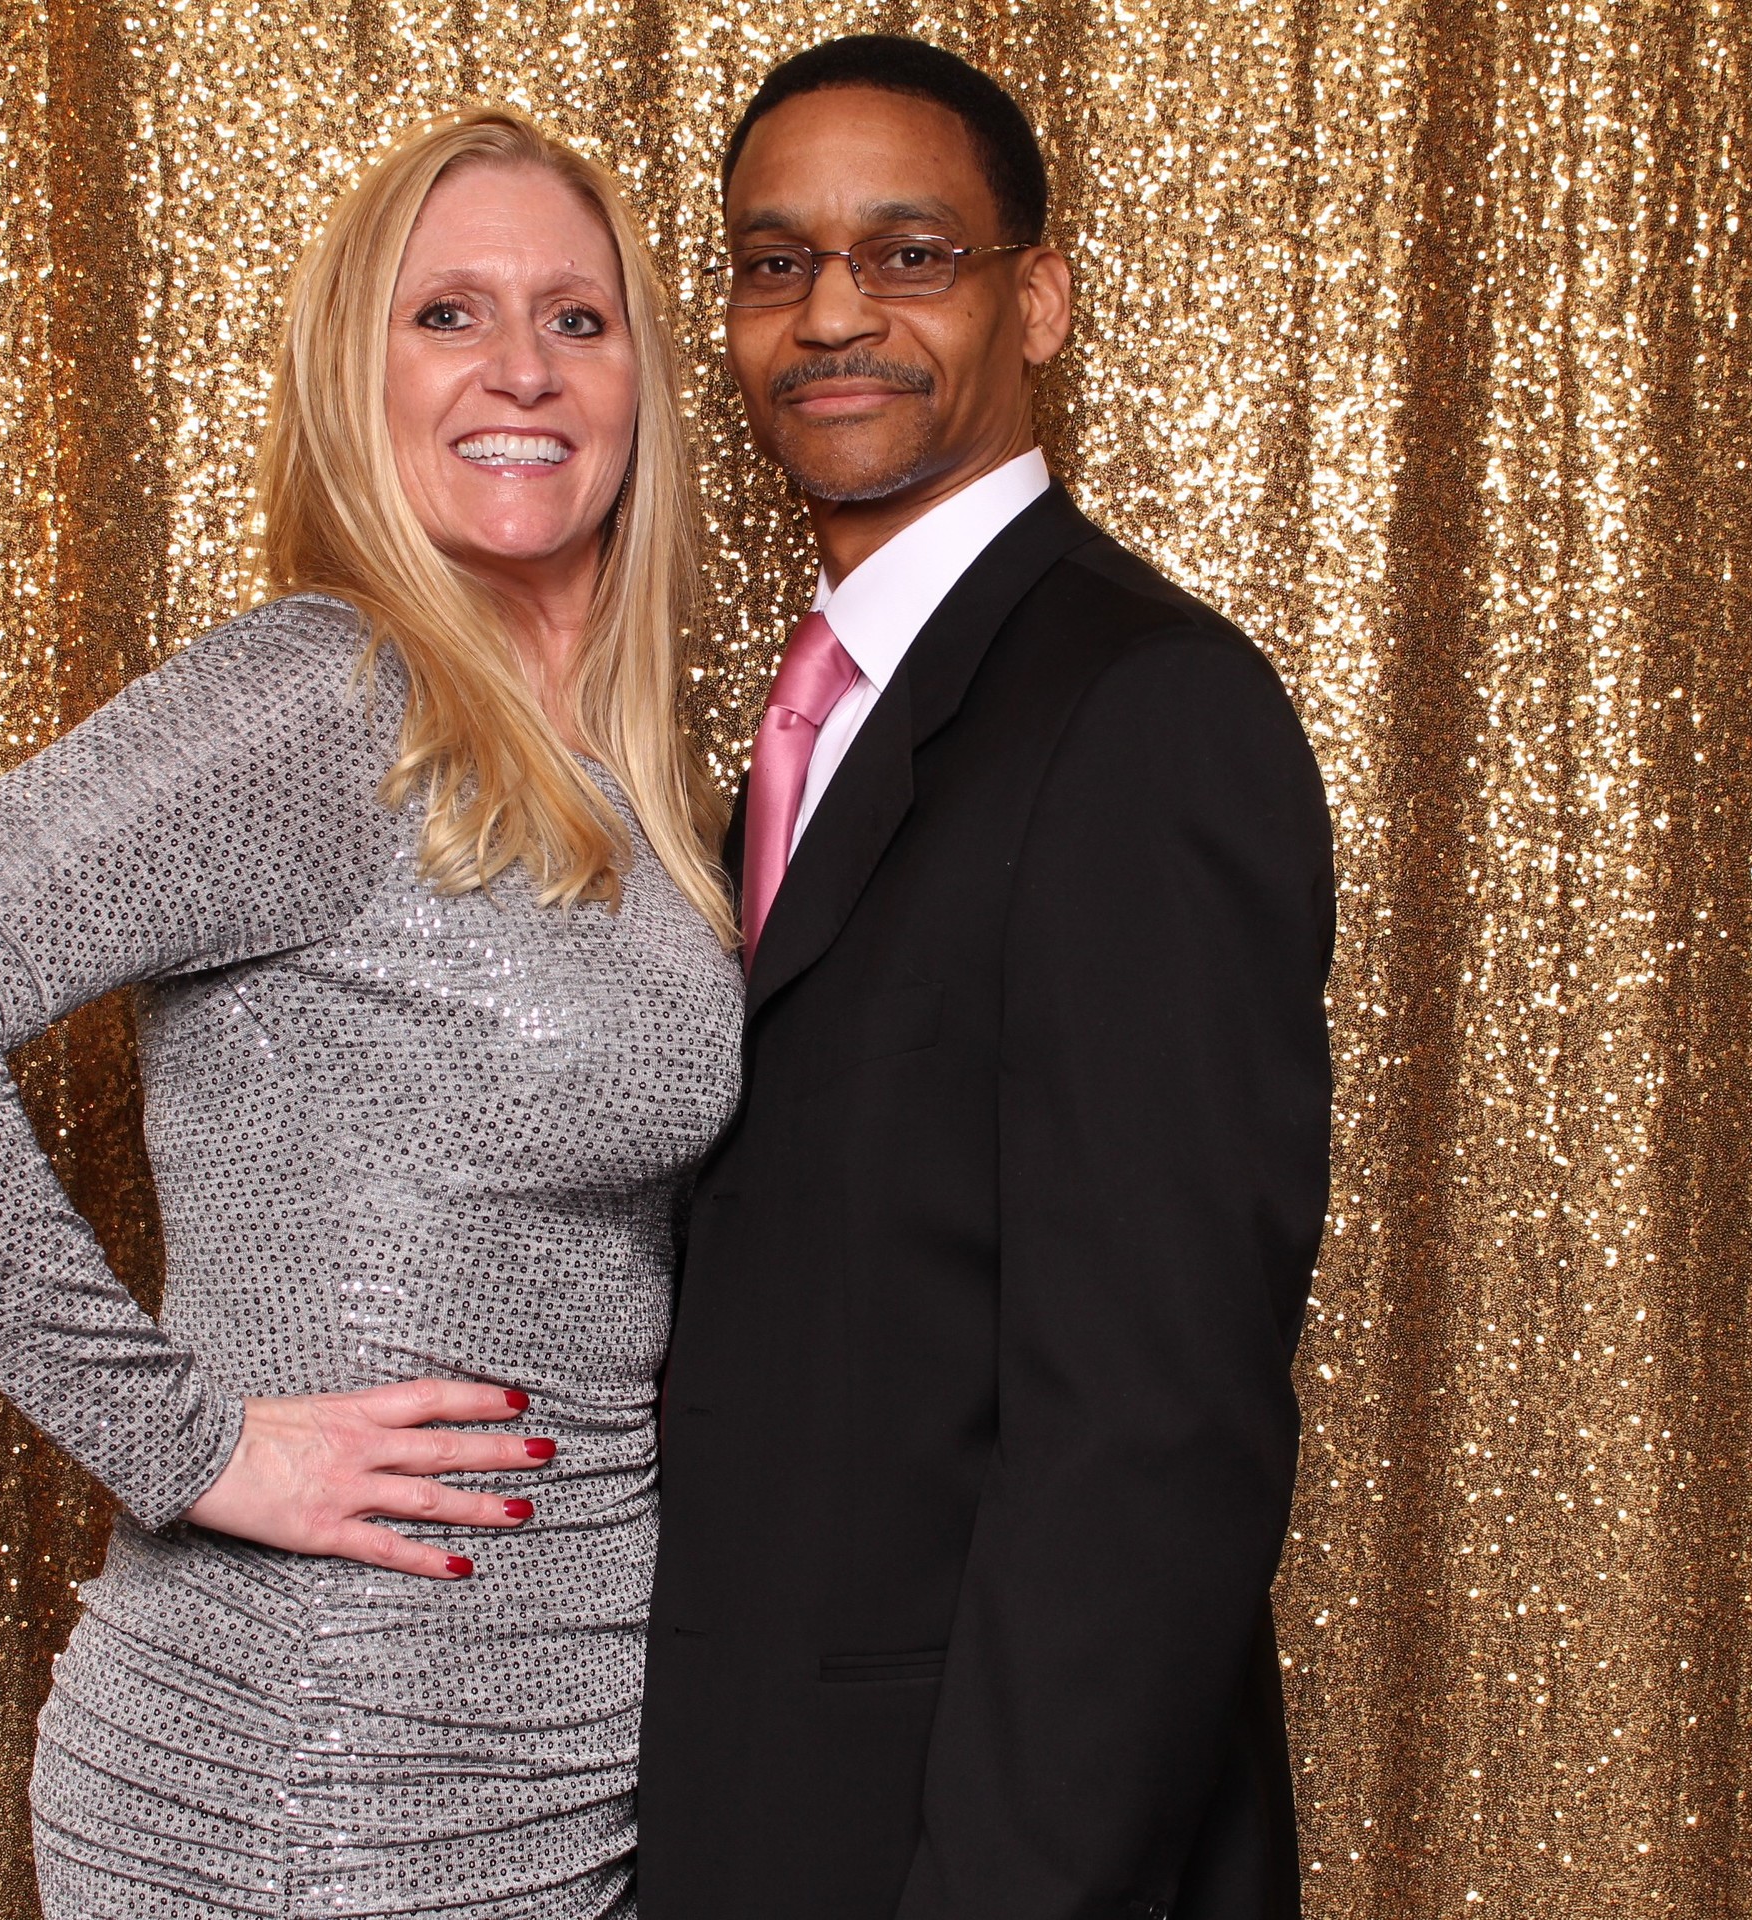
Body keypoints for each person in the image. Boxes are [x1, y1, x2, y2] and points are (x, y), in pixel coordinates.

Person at [0, 111, 741, 1919]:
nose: (522, 368)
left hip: (568, 1748)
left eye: (577, 319)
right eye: (447, 314)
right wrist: (191, 1444)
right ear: (354, 377)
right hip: (306, 1766)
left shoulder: (633, 779)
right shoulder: (322, 699)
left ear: (639, 385)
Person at [636, 37, 1335, 1920]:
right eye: (775, 262)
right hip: (763, 1806)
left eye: (909, 253)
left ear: (1038, 299)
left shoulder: (1146, 712)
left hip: (984, 1847)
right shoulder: (815, 725)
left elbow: (1154, 1431)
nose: (832, 313)